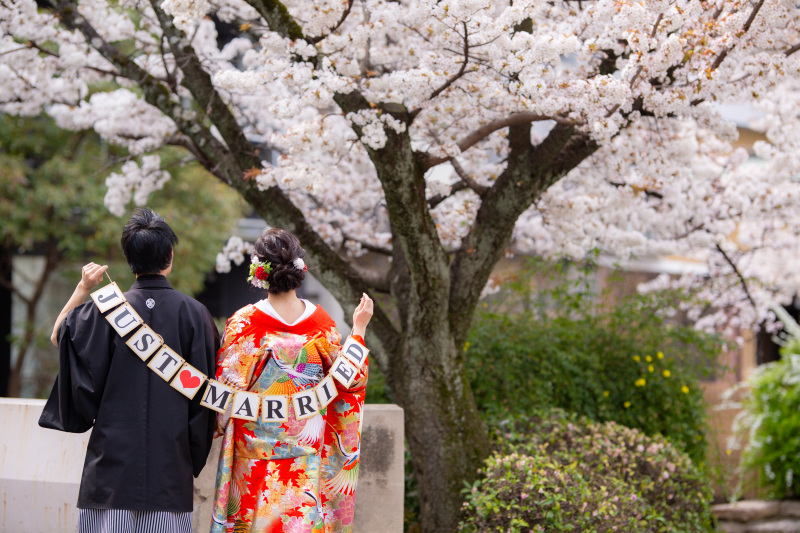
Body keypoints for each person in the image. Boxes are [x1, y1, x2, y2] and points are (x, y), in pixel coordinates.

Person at [39, 207, 220, 533]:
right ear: (170, 254)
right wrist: (190, 456)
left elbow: (58, 336)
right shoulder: (196, 315)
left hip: (111, 471)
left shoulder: (103, 311)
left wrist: (83, 289)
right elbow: (204, 398)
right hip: (170, 469)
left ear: (129, 258)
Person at [211, 228, 373, 533]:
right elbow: (348, 381)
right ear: (299, 269)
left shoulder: (244, 323)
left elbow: (223, 399)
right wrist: (359, 331)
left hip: (253, 460)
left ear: (258, 272)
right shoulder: (321, 323)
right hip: (304, 458)